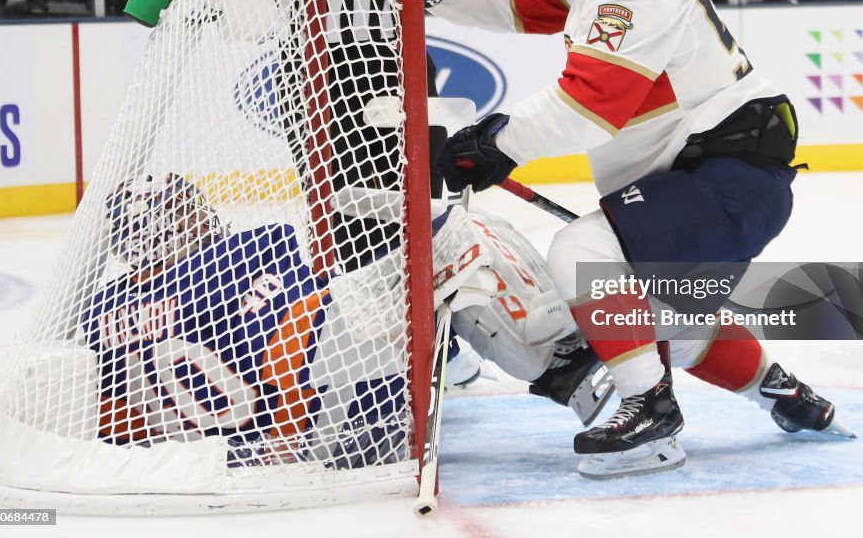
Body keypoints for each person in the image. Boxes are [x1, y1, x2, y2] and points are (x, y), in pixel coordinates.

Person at [353, 0, 853, 480]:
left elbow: (586, 108)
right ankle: (784, 394)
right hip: (725, 174)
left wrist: (488, 145)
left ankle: (652, 412)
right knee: (665, 317)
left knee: (583, 251)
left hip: (729, 175)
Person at [87, 173, 611, 463]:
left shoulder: (101, 310)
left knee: (407, 266)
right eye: (180, 211)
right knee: (454, 229)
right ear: (151, 233)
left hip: (283, 445)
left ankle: (484, 354)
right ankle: (564, 364)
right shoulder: (234, 252)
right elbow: (312, 301)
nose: (199, 214)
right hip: (351, 406)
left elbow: (115, 424)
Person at [237, 0, 446, 276]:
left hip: (393, 58)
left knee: (418, 193)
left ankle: (424, 308)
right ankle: (355, 313)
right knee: (340, 204)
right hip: (316, 64)